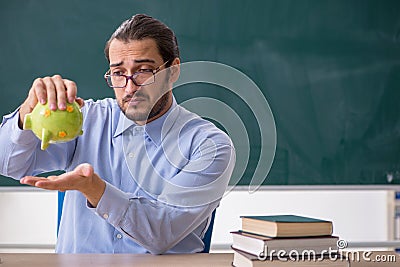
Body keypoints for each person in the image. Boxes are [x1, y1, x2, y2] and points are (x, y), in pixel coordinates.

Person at [0, 14, 235, 254]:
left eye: (144, 71)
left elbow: (162, 233)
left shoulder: (209, 145)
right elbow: (8, 164)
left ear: (172, 71)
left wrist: (96, 190)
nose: (130, 87)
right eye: (118, 73)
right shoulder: (85, 120)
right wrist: (25, 115)